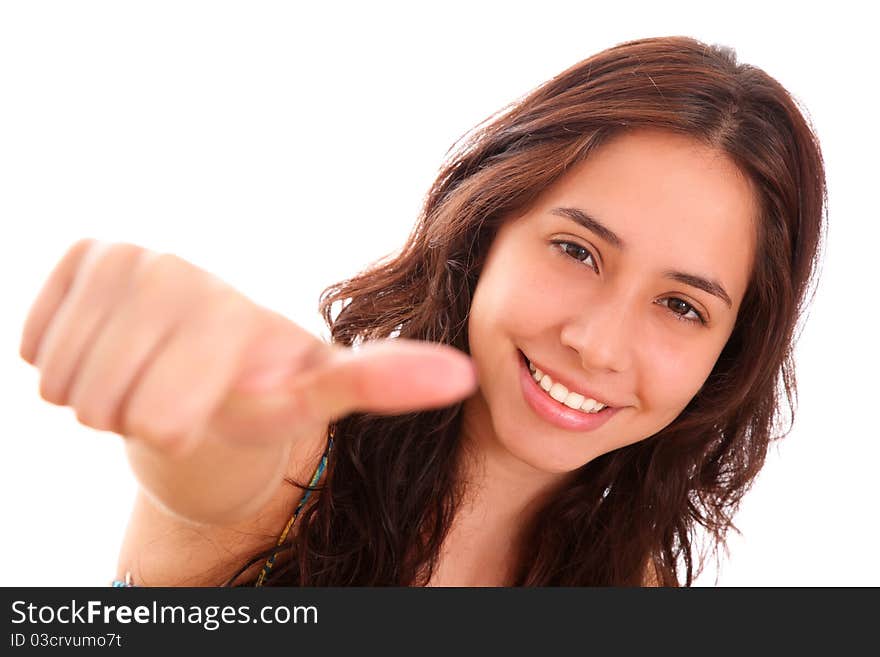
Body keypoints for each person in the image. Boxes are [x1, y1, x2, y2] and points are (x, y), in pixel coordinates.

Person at [19, 35, 826, 587]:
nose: (597, 343)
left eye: (681, 305)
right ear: (488, 227)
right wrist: (197, 398)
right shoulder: (304, 454)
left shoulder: (634, 581)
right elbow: (220, 457)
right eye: (577, 251)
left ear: (730, 354)